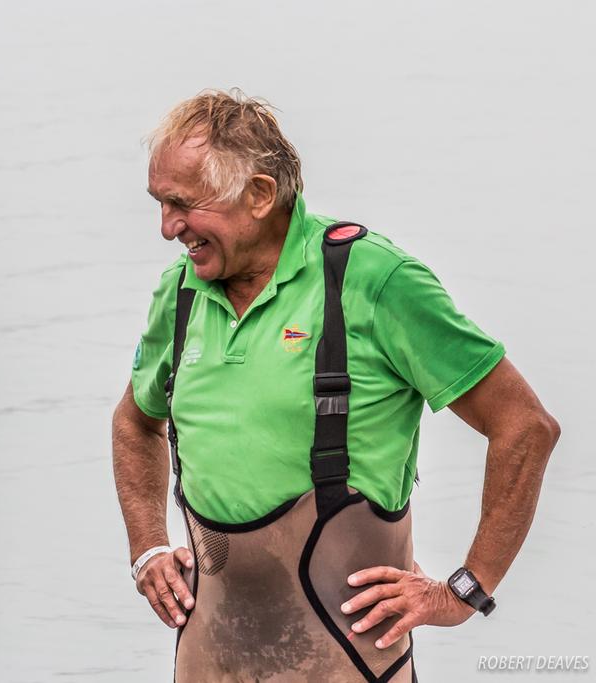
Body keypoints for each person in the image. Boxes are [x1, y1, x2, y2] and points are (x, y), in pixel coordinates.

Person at [112, 90, 560, 682]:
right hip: (207, 661)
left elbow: (525, 427)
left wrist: (464, 590)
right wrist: (147, 547)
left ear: (260, 195)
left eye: (183, 205)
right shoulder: (182, 290)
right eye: (160, 204)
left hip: (347, 663)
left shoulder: (375, 281)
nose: (168, 227)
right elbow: (136, 423)